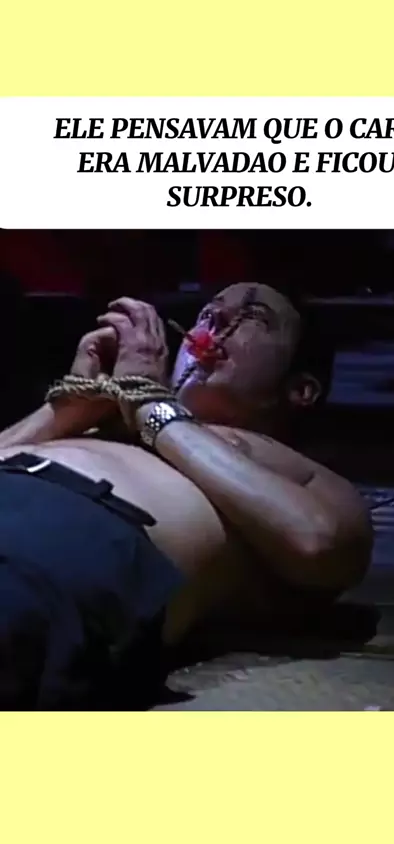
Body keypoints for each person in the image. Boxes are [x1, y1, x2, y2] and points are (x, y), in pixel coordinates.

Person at [0, 282, 372, 710]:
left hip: (66, 537)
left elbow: (319, 544)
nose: (218, 322)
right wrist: (68, 409)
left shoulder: (289, 466)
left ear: (300, 389)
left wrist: (152, 406)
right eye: (208, 313)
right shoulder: (107, 419)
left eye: (254, 318)